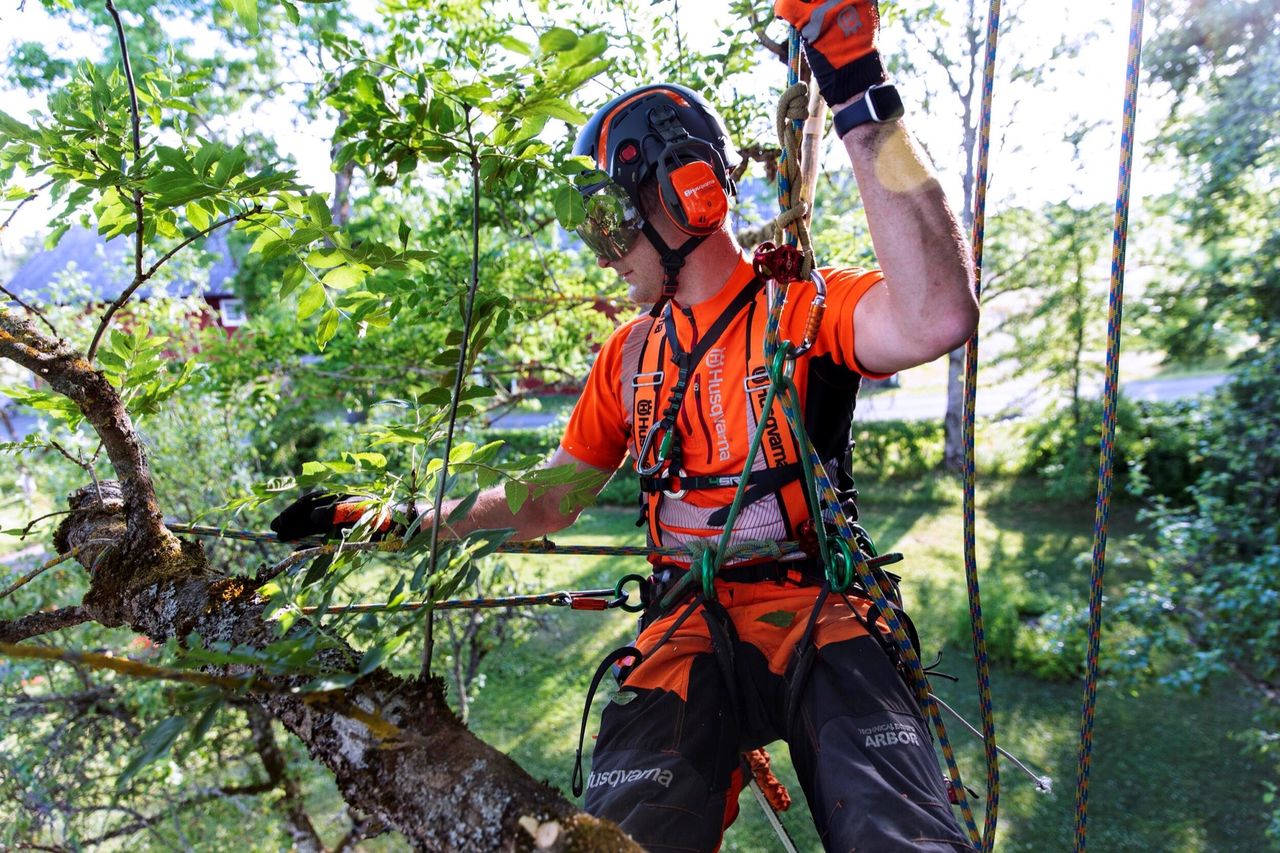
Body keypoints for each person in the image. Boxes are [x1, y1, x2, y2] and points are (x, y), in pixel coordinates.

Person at [274, 1, 978, 848]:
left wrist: (855, 82)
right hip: (685, 629)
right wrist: (399, 520)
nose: (602, 248)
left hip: (822, 612)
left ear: (690, 190)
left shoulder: (805, 307)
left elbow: (937, 312)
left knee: (903, 836)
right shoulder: (629, 356)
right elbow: (547, 499)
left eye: (612, 219)